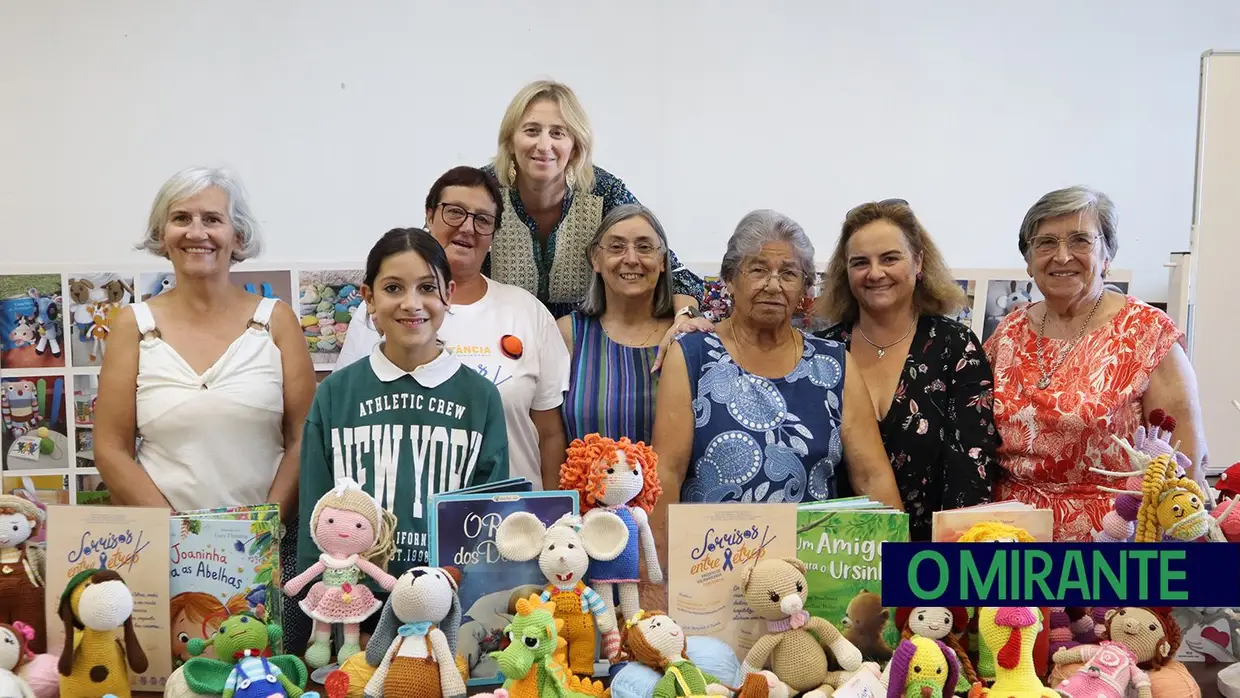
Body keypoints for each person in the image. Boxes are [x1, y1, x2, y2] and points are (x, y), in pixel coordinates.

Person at [649, 209, 904, 571]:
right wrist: (659, 577)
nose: (773, 284)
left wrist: (896, 579)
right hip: (712, 573)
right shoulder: (693, 355)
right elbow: (666, 473)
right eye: (757, 269)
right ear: (729, 279)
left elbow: (872, 477)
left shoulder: (833, 363)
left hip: (812, 578)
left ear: (804, 288)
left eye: (788, 273)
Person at [984, 185, 1210, 541]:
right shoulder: (1007, 332)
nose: (1061, 256)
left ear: (1107, 256)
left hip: (1112, 549)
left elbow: (1184, 466)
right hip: (1010, 543)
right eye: (1045, 243)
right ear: (1028, 262)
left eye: (1080, 241)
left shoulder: (1147, 334)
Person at [93, 166, 315, 517]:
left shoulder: (277, 321)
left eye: (212, 219)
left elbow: (304, 440)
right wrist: (180, 534)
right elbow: (110, 448)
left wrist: (261, 526)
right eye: (181, 218)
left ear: (238, 236)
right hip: (165, 548)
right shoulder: (133, 325)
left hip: (265, 547)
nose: (196, 232)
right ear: (162, 235)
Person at [334, 167, 568, 489]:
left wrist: (553, 517)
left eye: (483, 219)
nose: (468, 227)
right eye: (455, 212)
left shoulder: (528, 312)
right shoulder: (385, 311)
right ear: (430, 216)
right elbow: (348, 415)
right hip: (402, 518)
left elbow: (550, 434)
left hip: (515, 522)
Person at [300, 227, 509, 581]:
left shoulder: (481, 397)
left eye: (427, 288)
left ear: (449, 295)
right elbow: (314, 513)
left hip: (448, 609)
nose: (411, 303)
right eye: (393, 288)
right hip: (353, 607)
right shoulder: (336, 394)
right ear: (368, 297)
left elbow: (490, 522)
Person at [816, 200, 998, 541]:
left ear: (918, 262)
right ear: (845, 272)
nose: (875, 273)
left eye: (889, 258)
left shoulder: (954, 345)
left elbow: (972, 469)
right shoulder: (823, 351)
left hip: (932, 562)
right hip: (835, 559)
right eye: (860, 262)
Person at [483, 80, 706, 331]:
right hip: (500, 340)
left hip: (587, 344)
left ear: (576, 145)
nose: (544, 146)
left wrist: (684, 318)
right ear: (510, 140)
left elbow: (677, 277)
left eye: (558, 133)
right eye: (532, 130)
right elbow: (434, 259)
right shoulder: (483, 191)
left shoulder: (603, 192)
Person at [558, 204, 711, 445]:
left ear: (662, 261)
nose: (631, 259)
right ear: (595, 259)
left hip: (669, 484)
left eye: (644, 247)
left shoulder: (686, 338)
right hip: (581, 482)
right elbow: (547, 435)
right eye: (617, 247)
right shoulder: (568, 335)